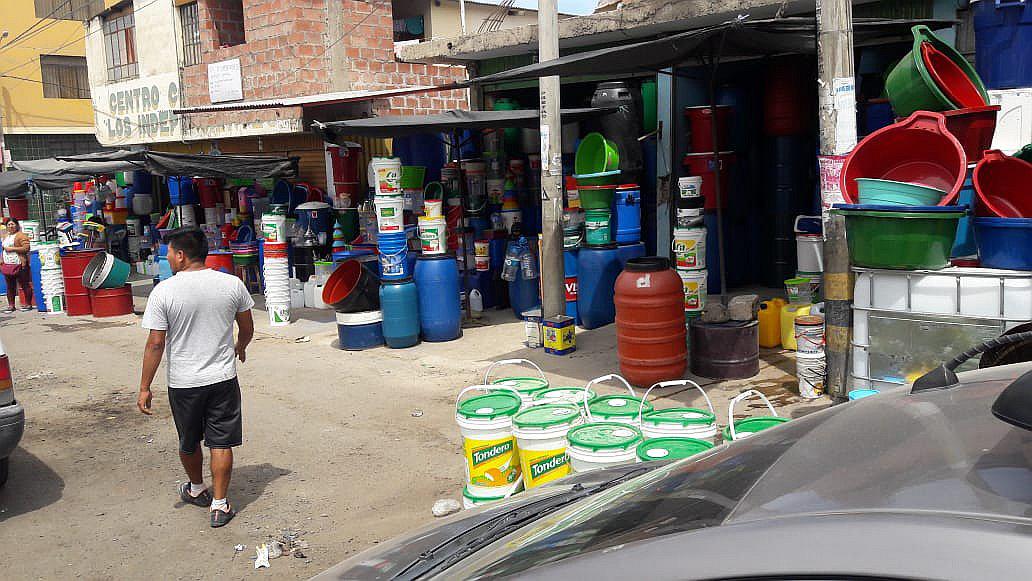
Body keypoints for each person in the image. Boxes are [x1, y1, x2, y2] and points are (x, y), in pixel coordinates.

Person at [138, 228, 255, 528]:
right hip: (222, 379)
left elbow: (155, 343)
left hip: (183, 382)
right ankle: (220, 504)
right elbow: (247, 327)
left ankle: (196, 488)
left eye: (168, 254)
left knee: (188, 441)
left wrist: (144, 387)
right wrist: (240, 346)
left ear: (180, 255)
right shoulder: (231, 284)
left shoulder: (164, 291)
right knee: (220, 442)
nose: (167, 259)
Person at [1, 218, 34, 313]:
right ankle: (11, 305)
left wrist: (12, 249)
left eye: (13, 224)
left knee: (24, 284)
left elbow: (26, 248)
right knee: (10, 286)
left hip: (20, 263)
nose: (11, 226)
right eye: (9, 225)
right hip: (7, 264)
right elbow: (3, 249)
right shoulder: (5, 236)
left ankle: (28, 304)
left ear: (17, 225)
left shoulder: (21, 235)